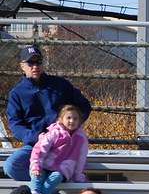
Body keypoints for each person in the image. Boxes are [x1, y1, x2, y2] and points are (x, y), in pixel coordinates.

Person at [4, 46, 92, 182]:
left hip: (63, 144)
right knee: (12, 166)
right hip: (35, 144)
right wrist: (36, 137)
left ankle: (43, 190)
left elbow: (84, 106)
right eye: (30, 63)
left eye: (38, 61)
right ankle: (51, 193)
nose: (35, 66)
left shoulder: (60, 84)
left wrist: (70, 128)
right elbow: (16, 124)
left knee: (59, 168)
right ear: (22, 66)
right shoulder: (17, 93)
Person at [28, 104, 89, 194]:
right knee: (37, 176)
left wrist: (79, 177)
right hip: (44, 164)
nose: (72, 121)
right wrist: (36, 165)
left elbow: (81, 158)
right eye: (68, 118)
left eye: (75, 118)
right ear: (61, 119)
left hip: (62, 167)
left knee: (56, 177)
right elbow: (39, 150)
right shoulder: (54, 133)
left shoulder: (81, 137)